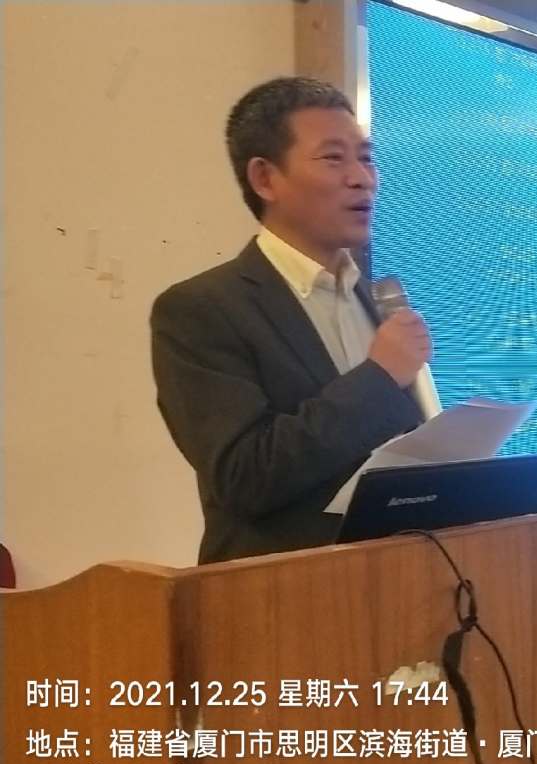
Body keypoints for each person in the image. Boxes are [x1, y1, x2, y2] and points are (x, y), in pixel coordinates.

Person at [150, 77, 431, 564]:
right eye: (333, 158)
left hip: (394, 578)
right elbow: (244, 476)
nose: (362, 178)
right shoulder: (200, 309)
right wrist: (380, 378)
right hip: (276, 592)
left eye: (366, 158)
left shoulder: (374, 300)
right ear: (265, 179)